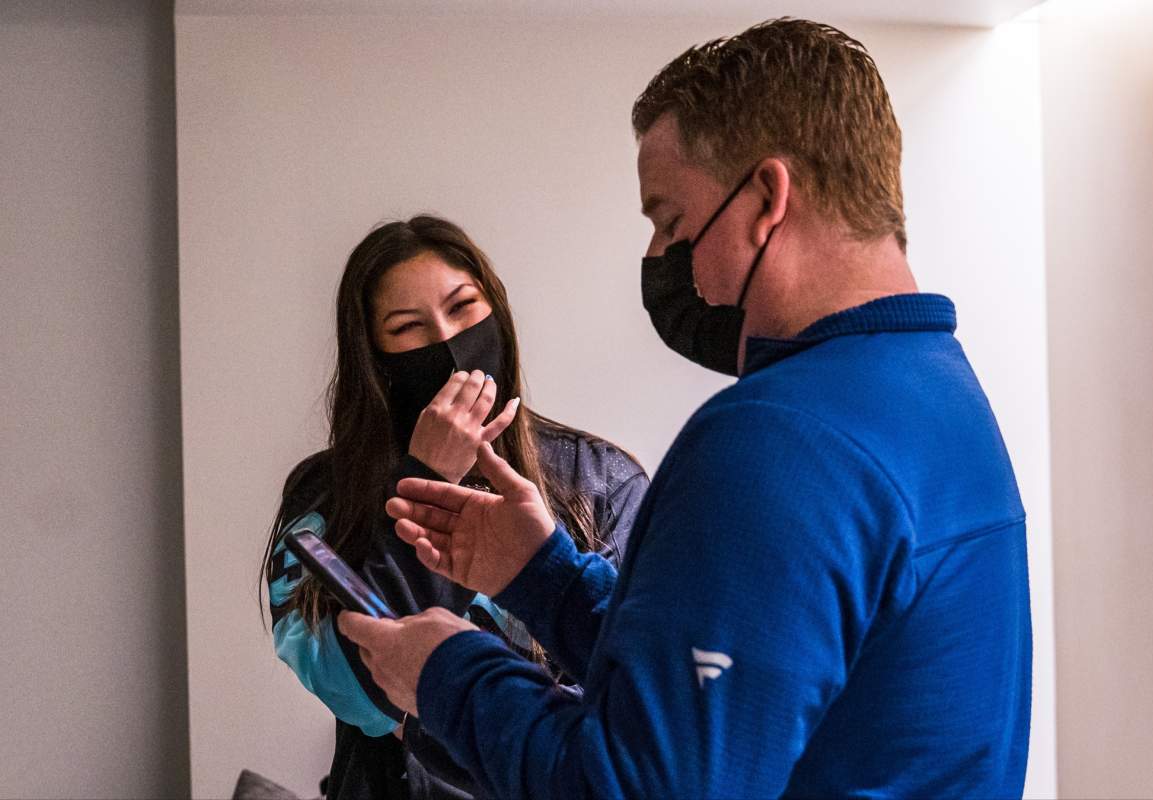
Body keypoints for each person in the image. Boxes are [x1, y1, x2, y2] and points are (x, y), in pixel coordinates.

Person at [338, 17, 1033, 799]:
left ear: (766, 198)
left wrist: (447, 671)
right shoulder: (940, 393)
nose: (664, 260)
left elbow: (636, 787)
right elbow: (761, 692)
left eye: (671, 221)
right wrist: (550, 581)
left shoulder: (776, 439)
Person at [258, 215, 648, 799]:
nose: (446, 340)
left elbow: (641, 688)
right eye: (408, 327)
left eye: (463, 308)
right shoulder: (321, 497)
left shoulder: (602, 480)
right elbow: (361, 687)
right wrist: (424, 479)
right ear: (373, 354)